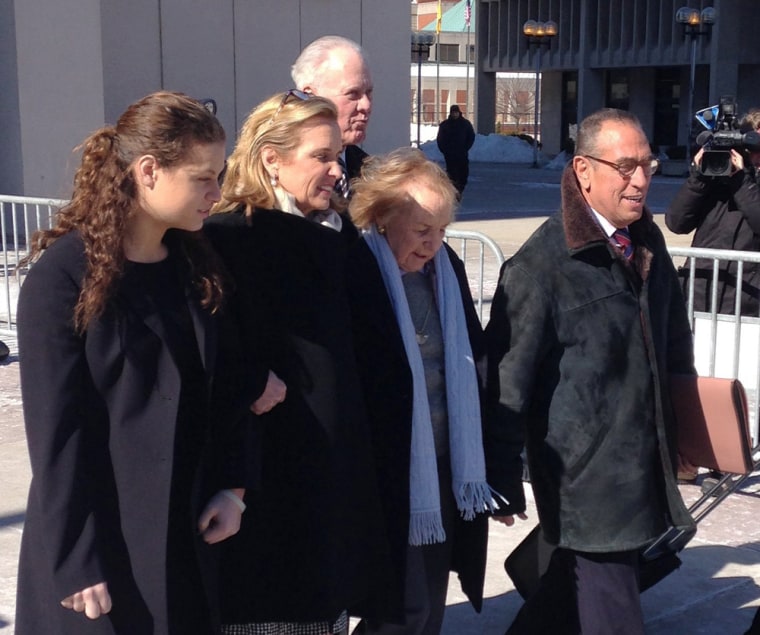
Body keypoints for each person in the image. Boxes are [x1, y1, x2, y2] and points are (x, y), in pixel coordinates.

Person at [15, 91, 250, 635]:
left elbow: (228, 385)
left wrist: (233, 487)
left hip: (188, 536)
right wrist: (76, 560)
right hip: (103, 548)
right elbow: (56, 435)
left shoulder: (196, 262)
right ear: (148, 171)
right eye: (203, 178)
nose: (217, 194)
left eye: (220, 175)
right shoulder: (64, 277)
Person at [485, 108, 697, 635]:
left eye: (647, 164)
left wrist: (688, 428)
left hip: (644, 462)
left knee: (566, 597)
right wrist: (501, 475)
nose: (642, 180)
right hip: (586, 482)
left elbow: (675, 343)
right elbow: (508, 382)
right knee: (614, 615)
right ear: (583, 170)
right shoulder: (541, 265)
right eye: (625, 167)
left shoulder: (646, 242)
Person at [203, 91, 386, 635]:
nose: (337, 170)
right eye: (320, 157)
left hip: (327, 486)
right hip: (261, 492)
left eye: (338, 156)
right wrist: (247, 382)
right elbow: (201, 356)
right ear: (271, 159)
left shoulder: (337, 235)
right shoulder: (227, 239)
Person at [346, 147, 495, 635]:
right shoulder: (357, 273)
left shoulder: (444, 274)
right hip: (386, 476)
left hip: (440, 471)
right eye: (422, 230)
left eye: (443, 231)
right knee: (400, 612)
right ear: (384, 217)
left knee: (426, 607)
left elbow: (476, 360)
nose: (434, 245)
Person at [666, 109, 760, 317]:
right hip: (699, 296)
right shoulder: (716, 177)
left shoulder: (741, 181)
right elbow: (676, 222)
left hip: (748, 304)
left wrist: (741, 181)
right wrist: (699, 178)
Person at [291, 35, 374, 197]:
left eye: (368, 93)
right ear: (310, 96)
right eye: (352, 94)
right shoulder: (278, 170)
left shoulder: (369, 172)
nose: (366, 105)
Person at [436, 105, 475, 197]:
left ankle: (460, 189)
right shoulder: (445, 125)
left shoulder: (465, 124)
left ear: (459, 112)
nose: (455, 114)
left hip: (462, 153)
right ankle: (454, 191)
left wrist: (465, 148)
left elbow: (471, 137)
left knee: (463, 173)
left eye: (456, 112)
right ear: (451, 113)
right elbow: (440, 139)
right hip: (450, 155)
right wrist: (444, 150)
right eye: (453, 112)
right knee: (452, 174)